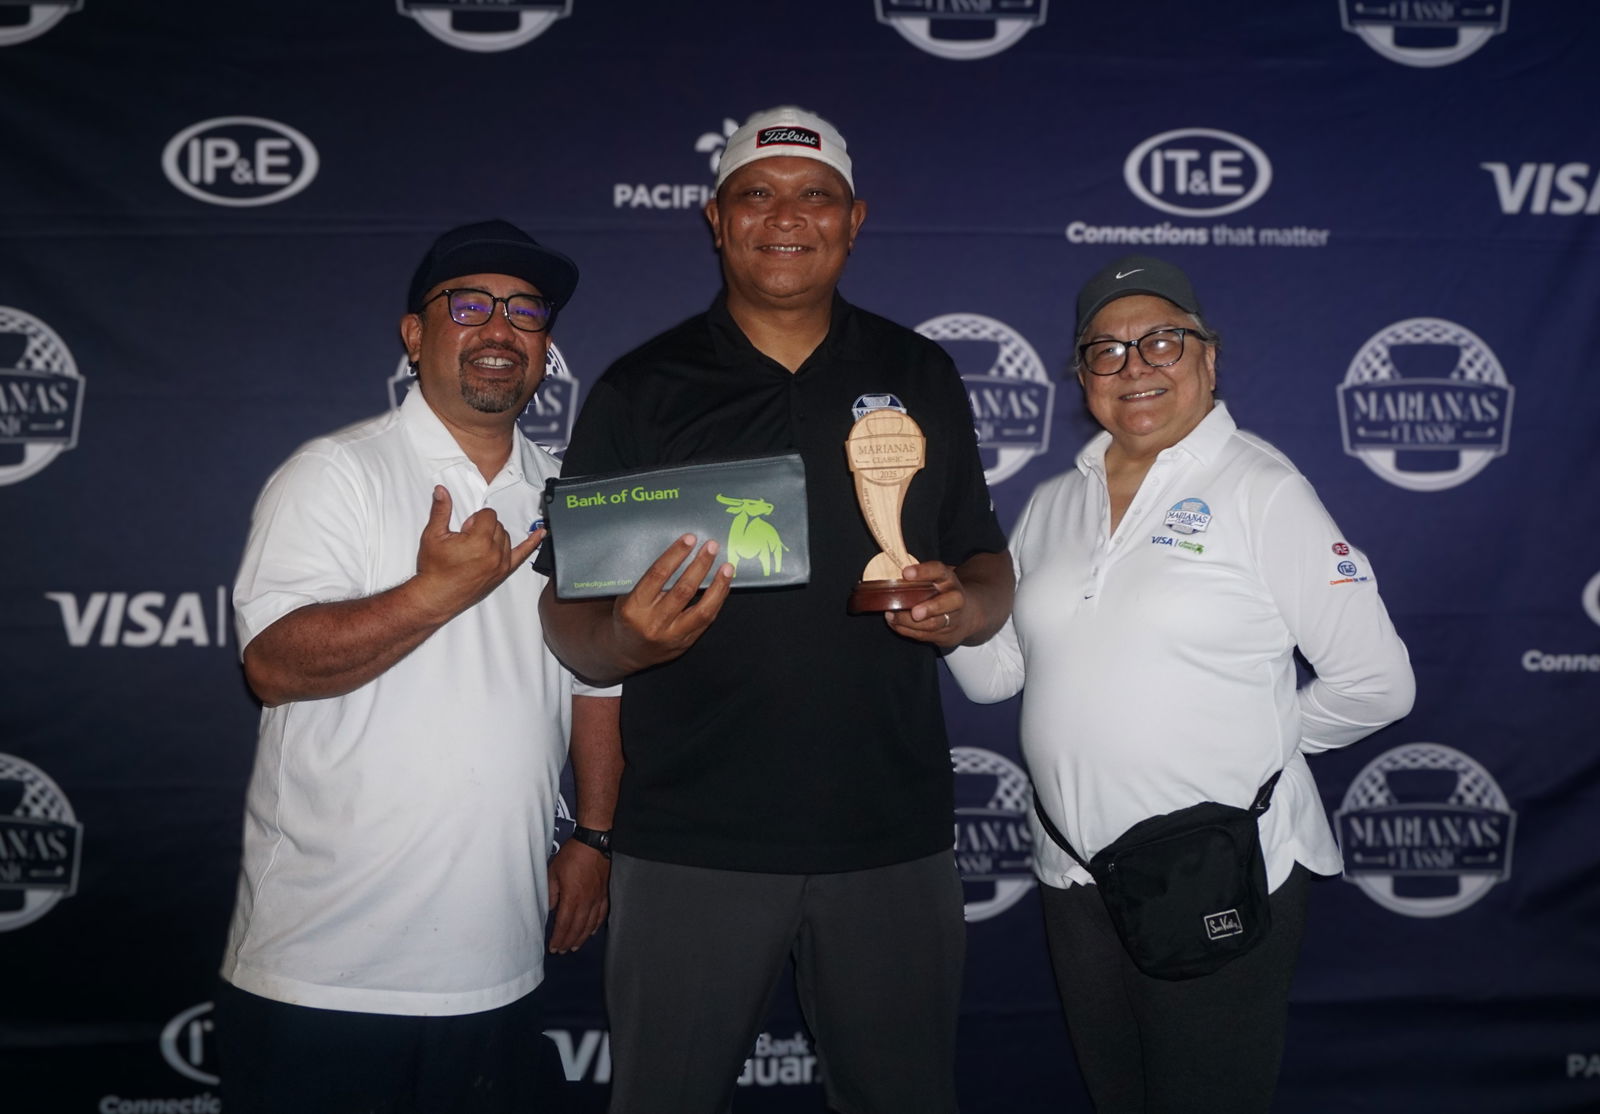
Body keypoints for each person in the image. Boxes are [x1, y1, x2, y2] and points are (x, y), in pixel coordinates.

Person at [536, 106, 1014, 1113]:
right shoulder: (641, 389)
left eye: (814, 196)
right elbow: (565, 619)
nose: (784, 217)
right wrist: (624, 637)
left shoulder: (918, 372)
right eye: (756, 194)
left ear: (854, 218)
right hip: (691, 843)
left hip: (891, 836)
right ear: (716, 219)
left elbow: (984, 554)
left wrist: (967, 606)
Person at [944, 254, 1416, 1113]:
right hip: (1074, 869)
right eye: (1107, 351)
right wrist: (946, 620)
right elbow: (995, 677)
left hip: (1218, 864)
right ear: (1081, 375)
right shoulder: (1054, 500)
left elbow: (1378, 684)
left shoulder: (1261, 489)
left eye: (1162, 341)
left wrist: (1264, 740)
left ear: (1208, 357)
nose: (1136, 367)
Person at [217, 220, 620, 1113]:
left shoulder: (570, 492)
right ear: (414, 334)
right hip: (324, 975)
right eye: (469, 305)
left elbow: (598, 683)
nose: (499, 329)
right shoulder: (336, 475)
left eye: (526, 311)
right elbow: (273, 666)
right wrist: (434, 593)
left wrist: (592, 837)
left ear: (545, 346)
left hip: (502, 964)